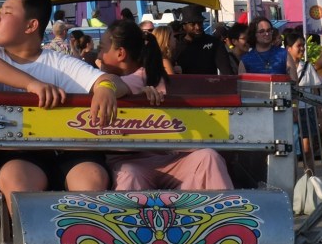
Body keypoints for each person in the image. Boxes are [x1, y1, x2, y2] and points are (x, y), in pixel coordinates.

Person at [0, 0, 131, 215]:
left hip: (72, 152)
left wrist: (106, 88)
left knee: (92, 179)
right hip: (20, 153)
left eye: (7, 12)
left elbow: (114, 82)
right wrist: (32, 84)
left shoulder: (59, 63)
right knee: (16, 181)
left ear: (31, 26)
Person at [98, 20, 234, 191]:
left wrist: (106, 89)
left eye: (102, 48)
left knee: (208, 157)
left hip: (168, 158)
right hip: (132, 164)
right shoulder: (126, 79)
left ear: (120, 53)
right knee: (129, 174)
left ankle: (223, 213)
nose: (99, 55)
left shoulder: (142, 77)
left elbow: (121, 84)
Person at [285, 33, 322, 173]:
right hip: (289, 112)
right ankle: (293, 181)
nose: (302, 49)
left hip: (307, 111)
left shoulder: (307, 67)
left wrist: (319, 113)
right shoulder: (283, 67)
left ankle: (310, 179)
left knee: (307, 150)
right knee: (292, 152)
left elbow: (315, 91)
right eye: (298, 46)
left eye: (303, 45)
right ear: (289, 48)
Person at [174, 4, 232, 75]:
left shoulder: (214, 43)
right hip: (185, 86)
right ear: (184, 26)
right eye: (192, 24)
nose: (198, 27)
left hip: (210, 85)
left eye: (200, 23)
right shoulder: (176, 46)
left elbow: (227, 72)